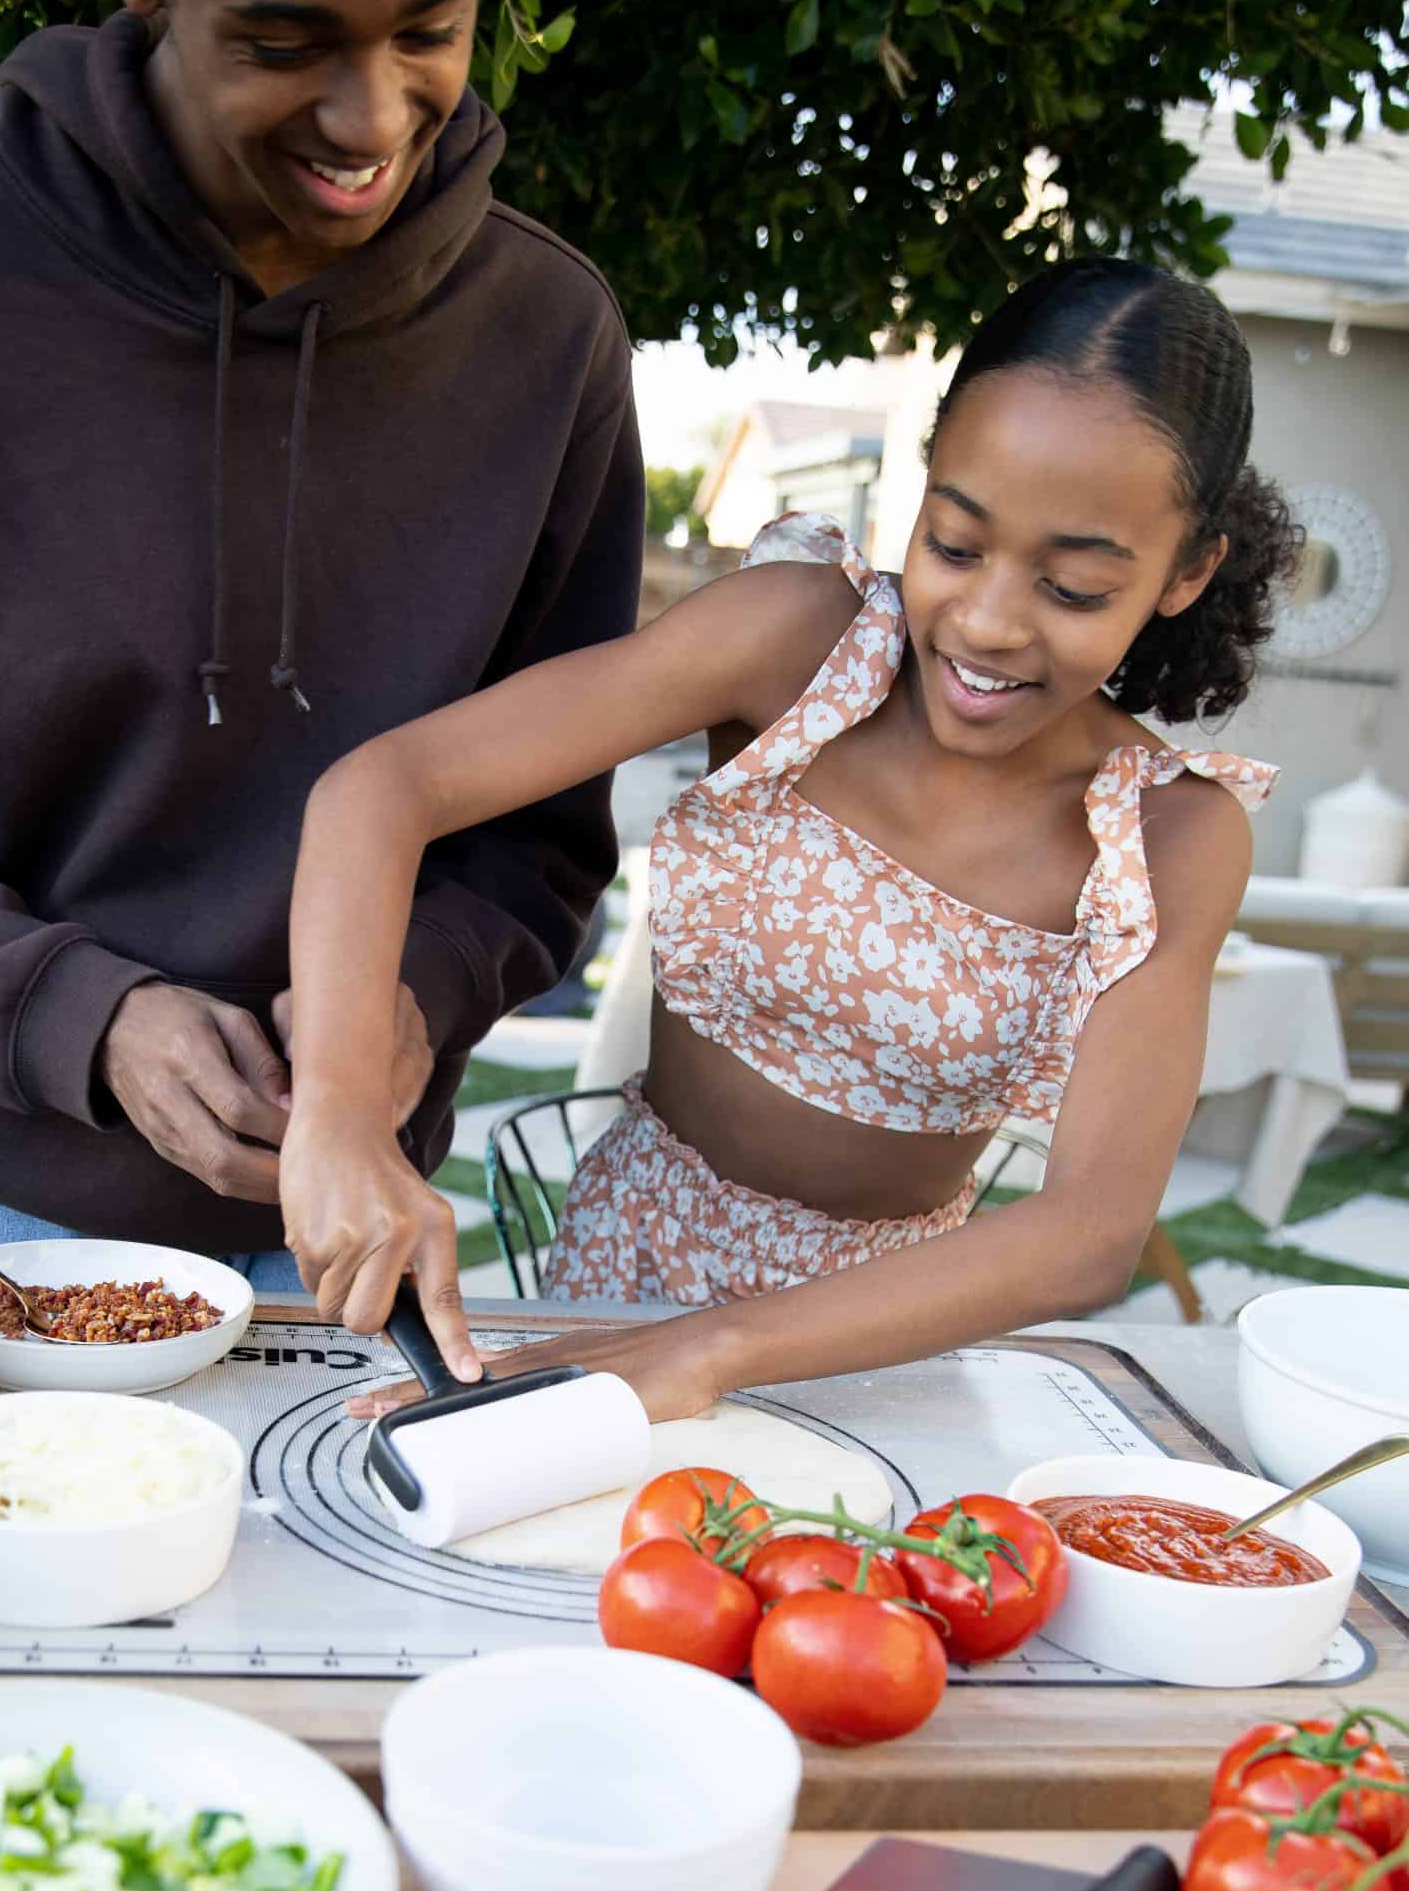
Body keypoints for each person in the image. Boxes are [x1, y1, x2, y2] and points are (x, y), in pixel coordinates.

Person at [0, 0, 642, 1288]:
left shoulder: (551, 333)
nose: (371, 114)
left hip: (359, 1216)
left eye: (426, 31)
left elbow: (539, 835)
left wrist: (413, 992)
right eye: (283, 41)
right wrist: (89, 1024)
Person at [273, 256, 1299, 1414]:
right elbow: (383, 787)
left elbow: (1087, 1233)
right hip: (623, 1278)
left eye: (1070, 591)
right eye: (953, 545)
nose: (987, 622)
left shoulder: (1164, 832)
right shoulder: (796, 647)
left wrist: (715, 1348)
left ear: (1185, 571)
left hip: (885, 1343)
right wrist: (342, 1108)